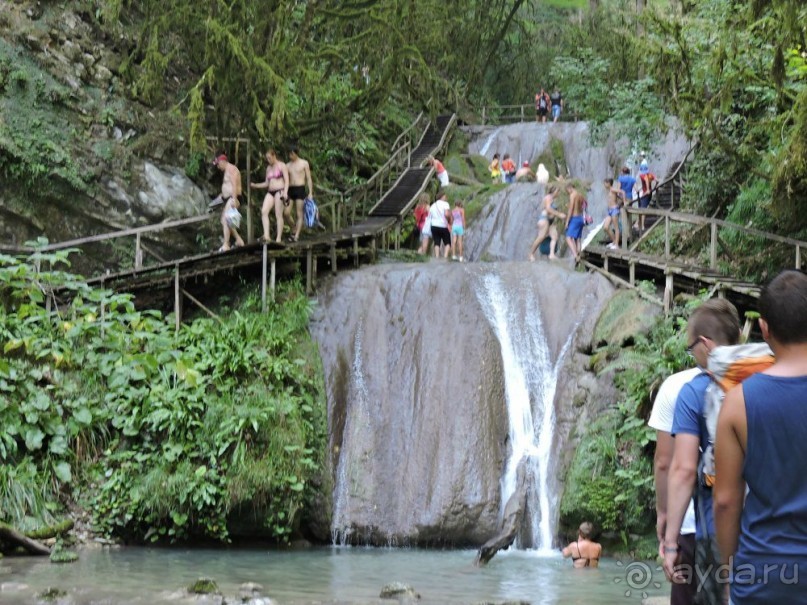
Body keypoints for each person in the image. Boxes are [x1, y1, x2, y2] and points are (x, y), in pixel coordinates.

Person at [715, 270, 807, 604]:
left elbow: (725, 502)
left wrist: (729, 571)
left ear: (764, 328)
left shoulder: (738, 402)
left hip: (763, 575)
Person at [663, 298, 741, 605]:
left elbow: (682, 470)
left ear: (706, 345)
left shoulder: (694, 392)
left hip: (714, 529)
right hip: (766, 529)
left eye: (691, 346)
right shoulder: (767, 380)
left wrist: (670, 543)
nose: (692, 353)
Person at [649, 367, 701, 605]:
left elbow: (665, 462)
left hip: (690, 523)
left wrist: (665, 515)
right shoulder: (760, 376)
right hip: (754, 525)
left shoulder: (677, 385)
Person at [250, 149, 289, 244]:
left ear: (274, 155)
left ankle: (278, 238)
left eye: (269, 158)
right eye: (267, 158)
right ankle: (266, 235)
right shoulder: (268, 168)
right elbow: (267, 183)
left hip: (280, 191)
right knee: (264, 211)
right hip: (270, 191)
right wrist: (255, 185)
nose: (268, 160)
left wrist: (285, 193)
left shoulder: (281, 165)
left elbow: (287, 180)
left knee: (278, 214)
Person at [214, 154, 244, 251]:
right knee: (226, 220)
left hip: (233, 197)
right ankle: (239, 240)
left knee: (225, 219)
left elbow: (234, 184)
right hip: (229, 198)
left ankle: (226, 244)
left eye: (218, 164)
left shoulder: (231, 169)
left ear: (223, 161)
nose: (218, 167)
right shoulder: (227, 170)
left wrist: (234, 199)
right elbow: (228, 186)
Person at [529, 185, 565, 261]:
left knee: (554, 236)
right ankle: (531, 254)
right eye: (558, 191)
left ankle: (551, 254)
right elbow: (548, 209)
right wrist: (559, 214)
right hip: (544, 220)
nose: (558, 193)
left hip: (550, 222)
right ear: (554, 191)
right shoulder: (548, 197)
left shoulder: (552, 198)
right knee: (541, 237)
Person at [286, 145, 313, 243]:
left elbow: (309, 178)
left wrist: (310, 192)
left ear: (296, 153)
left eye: (292, 154)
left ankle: (296, 235)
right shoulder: (287, 165)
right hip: (290, 189)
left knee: (299, 213)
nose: (290, 156)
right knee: (287, 213)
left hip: (300, 188)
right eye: (289, 154)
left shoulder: (304, 163)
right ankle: (294, 228)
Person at [564, 184, 585, 262]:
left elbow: (571, 209)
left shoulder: (572, 195)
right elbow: (584, 204)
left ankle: (576, 256)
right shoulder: (580, 195)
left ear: (570, 188)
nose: (568, 193)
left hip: (575, 218)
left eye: (567, 191)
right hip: (581, 218)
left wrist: (567, 222)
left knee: (568, 237)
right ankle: (579, 254)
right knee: (577, 239)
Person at [428, 191, 452, 259]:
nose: (446, 197)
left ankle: (437, 256)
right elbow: (447, 214)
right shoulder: (445, 204)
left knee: (436, 241)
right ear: (442, 196)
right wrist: (449, 220)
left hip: (434, 226)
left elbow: (430, 215)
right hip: (443, 225)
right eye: (445, 196)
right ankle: (445, 256)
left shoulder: (433, 205)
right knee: (447, 242)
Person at [602, 178, 625, 250]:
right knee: (606, 227)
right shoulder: (609, 190)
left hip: (614, 210)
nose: (604, 184)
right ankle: (614, 241)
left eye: (605, 182)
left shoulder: (612, 189)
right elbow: (617, 196)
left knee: (616, 227)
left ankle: (617, 245)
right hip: (609, 210)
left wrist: (624, 202)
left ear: (609, 183)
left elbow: (622, 192)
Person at [637, 161, 656, 232]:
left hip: (645, 193)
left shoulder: (643, 175)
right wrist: (653, 188)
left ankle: (642, 226)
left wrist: (647, 189)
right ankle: (638, 223)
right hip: (650, 193)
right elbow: (657, 180)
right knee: (643, 208)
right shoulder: (650, 175)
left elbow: (646, 180)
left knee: (642, 209)